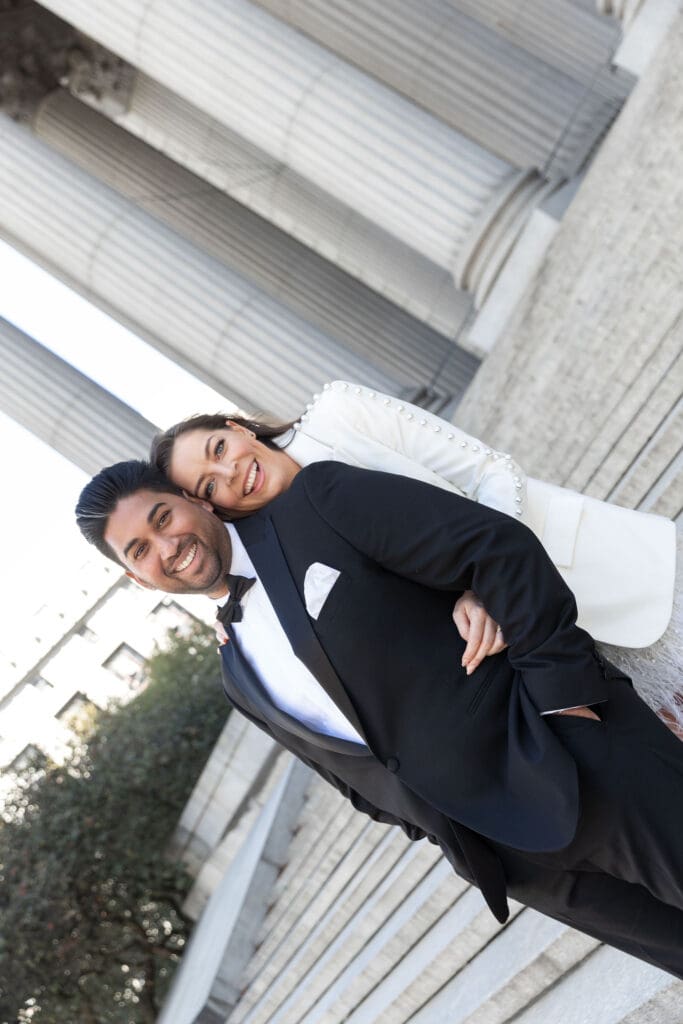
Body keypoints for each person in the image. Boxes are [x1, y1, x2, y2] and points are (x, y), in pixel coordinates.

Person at [76, 459, 683, 977]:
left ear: (187, 499)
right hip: (508, 857)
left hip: (575, 759)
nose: (167, 547)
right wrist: (436, 832)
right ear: (136, 577)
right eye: (140, 551)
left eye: (162, 519)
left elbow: (494, 547)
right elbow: (353, 777)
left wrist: (566, 704)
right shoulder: (236, 677)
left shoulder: (314, 503)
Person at [150, 380, 681, 730]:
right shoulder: (287, 545)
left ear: (238, 428)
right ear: (212, 508)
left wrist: (485, 587)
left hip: (594, 577)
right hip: (545, 668)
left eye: (219, 450)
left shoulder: (340, 413)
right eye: (210, 485)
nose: (231, 474)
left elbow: (489, 471)